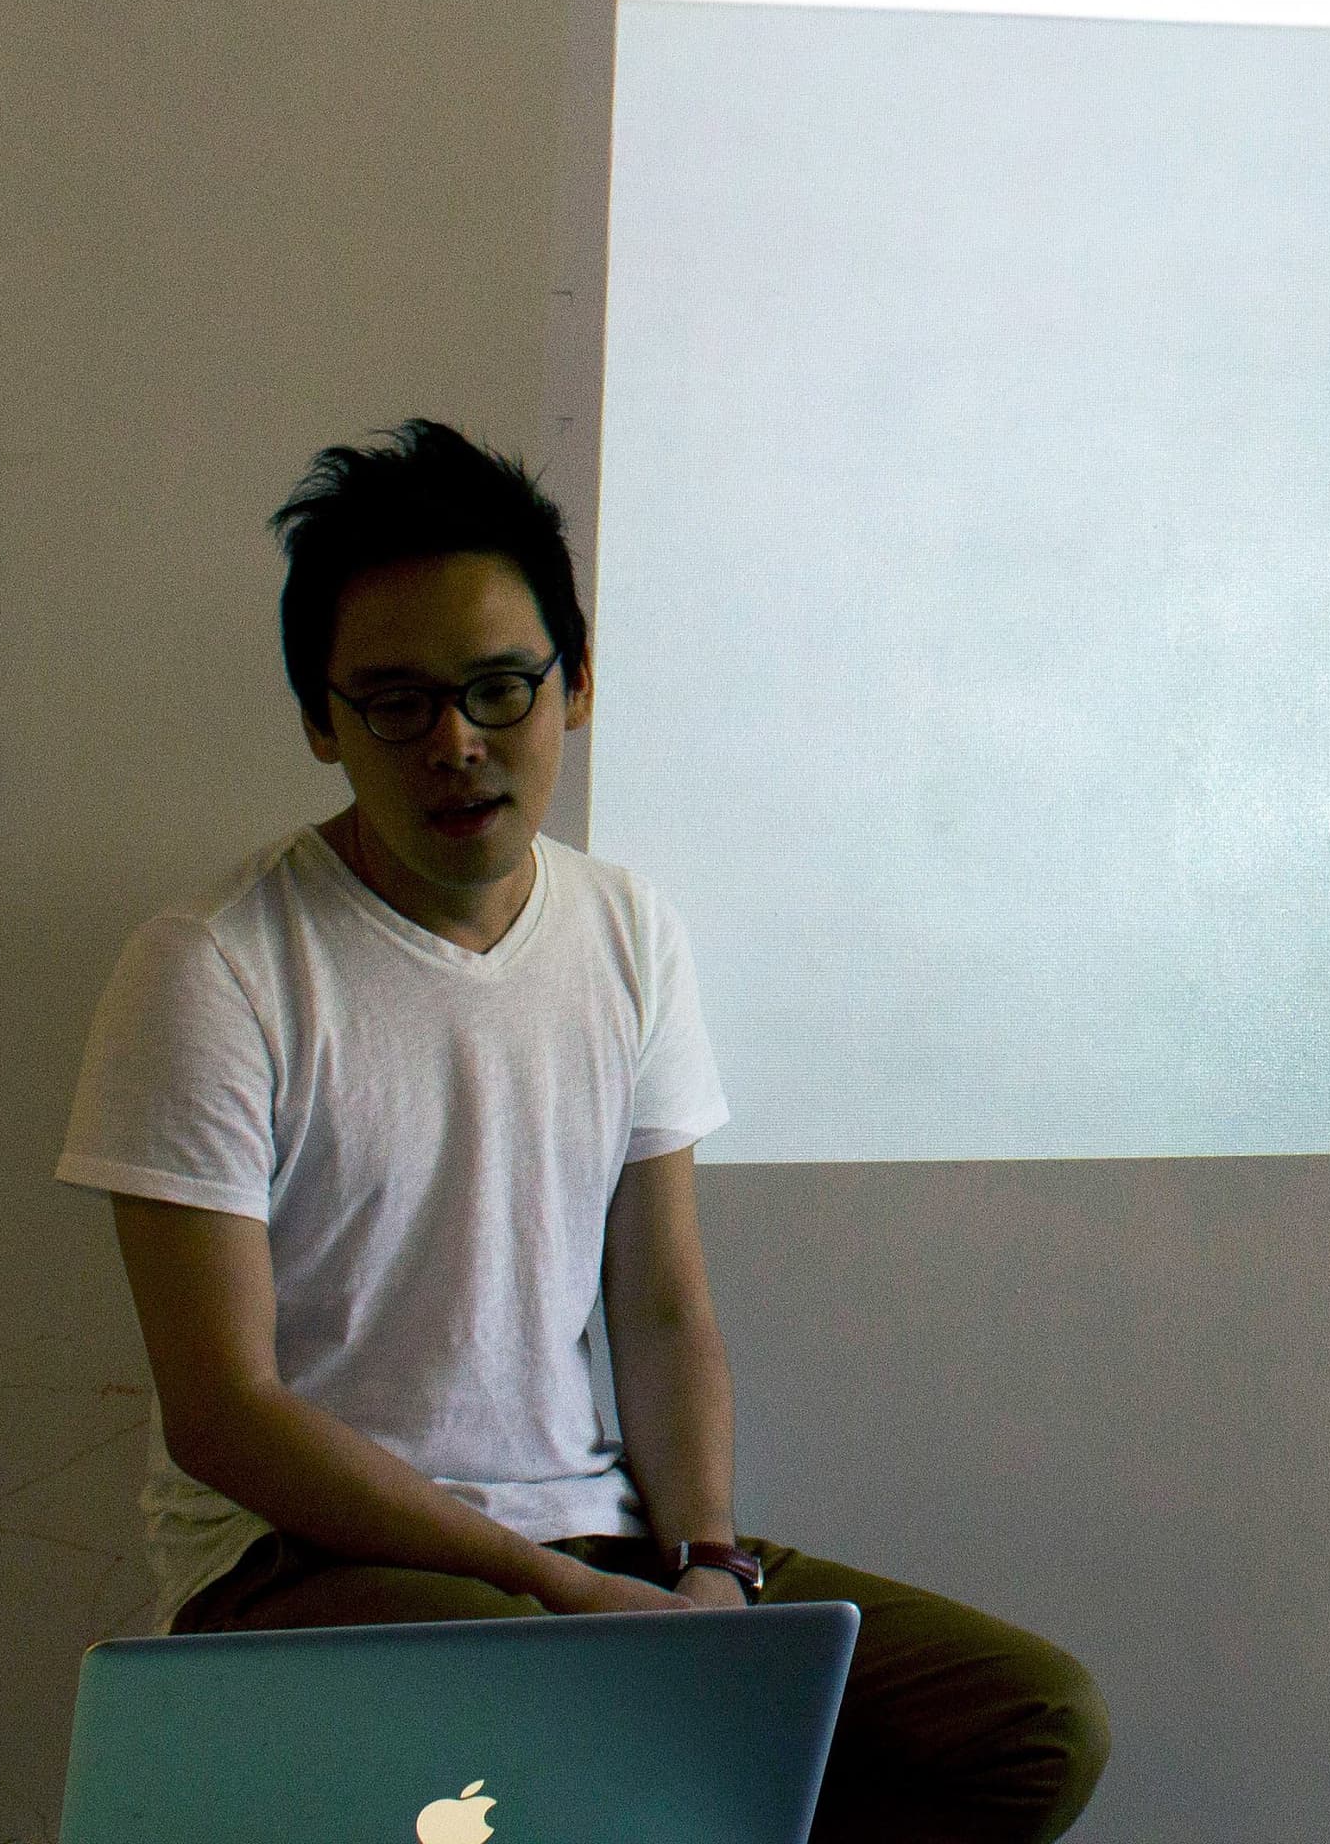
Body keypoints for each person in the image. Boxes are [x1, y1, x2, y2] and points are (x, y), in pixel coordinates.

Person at [57, 423, 1107, 1843]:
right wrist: (554, 1594)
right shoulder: (214, 966)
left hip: (594, 1538)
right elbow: (225, 1413)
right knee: (563, 1745)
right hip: (297, 1566)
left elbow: (663, 1306)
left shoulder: (625, 928)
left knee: (1026, 1723)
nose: (457, 744)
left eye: (500, 688)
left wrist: (712, 1564)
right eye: (395, 703)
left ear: (578, 685)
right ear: (322, 719)